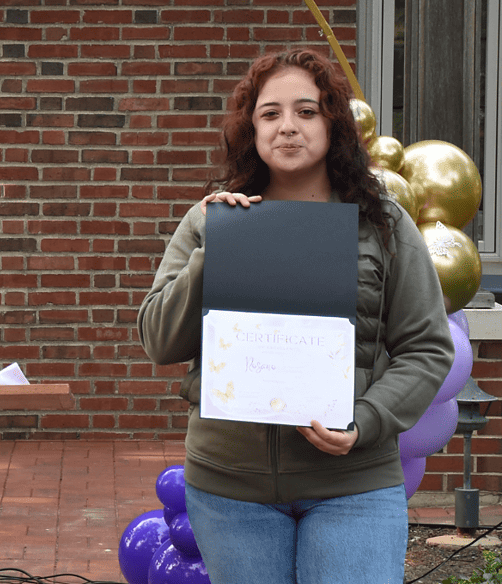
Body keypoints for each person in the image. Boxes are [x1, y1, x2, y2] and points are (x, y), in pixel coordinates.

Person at [136, 48, 454, 584]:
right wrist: (215, 252)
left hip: (353, 484)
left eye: (306, 112)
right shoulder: (211, 218)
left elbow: (426, 348)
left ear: (333, 124)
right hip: (230, 490)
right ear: (251, 129)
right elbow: (159, 340)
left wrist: (366, 421)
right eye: (270, 114)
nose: (288, 127)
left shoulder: (384, 223)